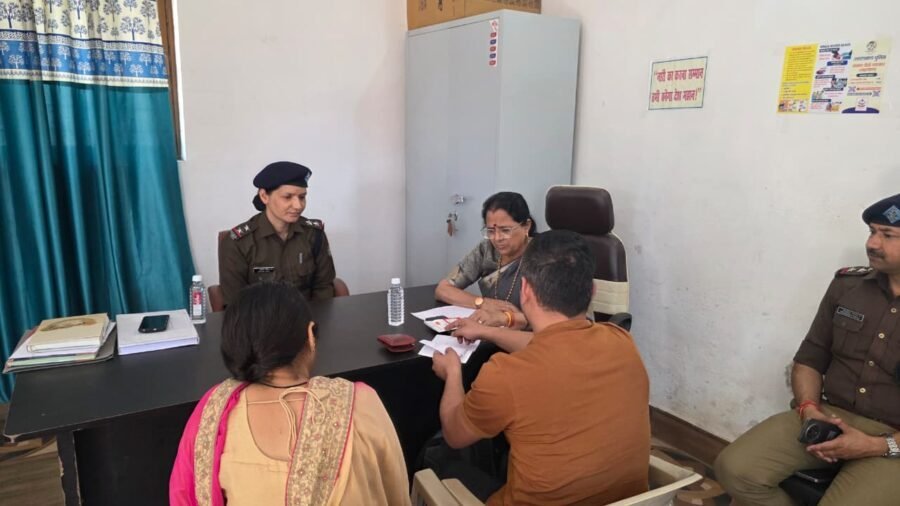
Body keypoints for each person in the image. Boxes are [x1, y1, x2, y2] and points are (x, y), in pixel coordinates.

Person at [431, 230, 651, 505]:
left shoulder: (506, 374)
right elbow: (550, 343)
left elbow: (454, 433)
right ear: (592, 291)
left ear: (525, 290)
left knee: (440, 459)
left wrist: (453, 373)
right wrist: (488, 332)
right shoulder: (622, 342)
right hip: (629, 500)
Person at [714, 193, 900, 506]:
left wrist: (876, 445)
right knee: (734, 469)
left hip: (892, 438)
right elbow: (810, 359)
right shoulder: (848, 285)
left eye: (888, 235)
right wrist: (809, 409)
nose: (872, 243)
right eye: (871, 232)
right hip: (829, 415)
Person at [169, 283, 409, 506]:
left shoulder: (213, 410)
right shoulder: (360, 402)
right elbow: (397, 495)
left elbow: (183, 495)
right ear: (310, 336)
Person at [219, 161, 336, 307]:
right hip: (260, 318)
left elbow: (323, 287)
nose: (298, 206)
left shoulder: (313, 234)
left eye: (302, 197)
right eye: (287, 197)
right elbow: (236, 301)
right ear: (264, 196)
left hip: (308, 315)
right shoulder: (238, 242)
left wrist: (315, 318)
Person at [435, 192, 536, 352]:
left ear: (526, 226)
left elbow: (556, 322)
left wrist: (507, 317)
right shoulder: (486, 250)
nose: (497, 238)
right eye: (491, 231)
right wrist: (483, 303)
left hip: (528, 344)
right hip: (488, 339)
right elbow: (443, 289)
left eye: (505, 230)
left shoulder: (543, 256)